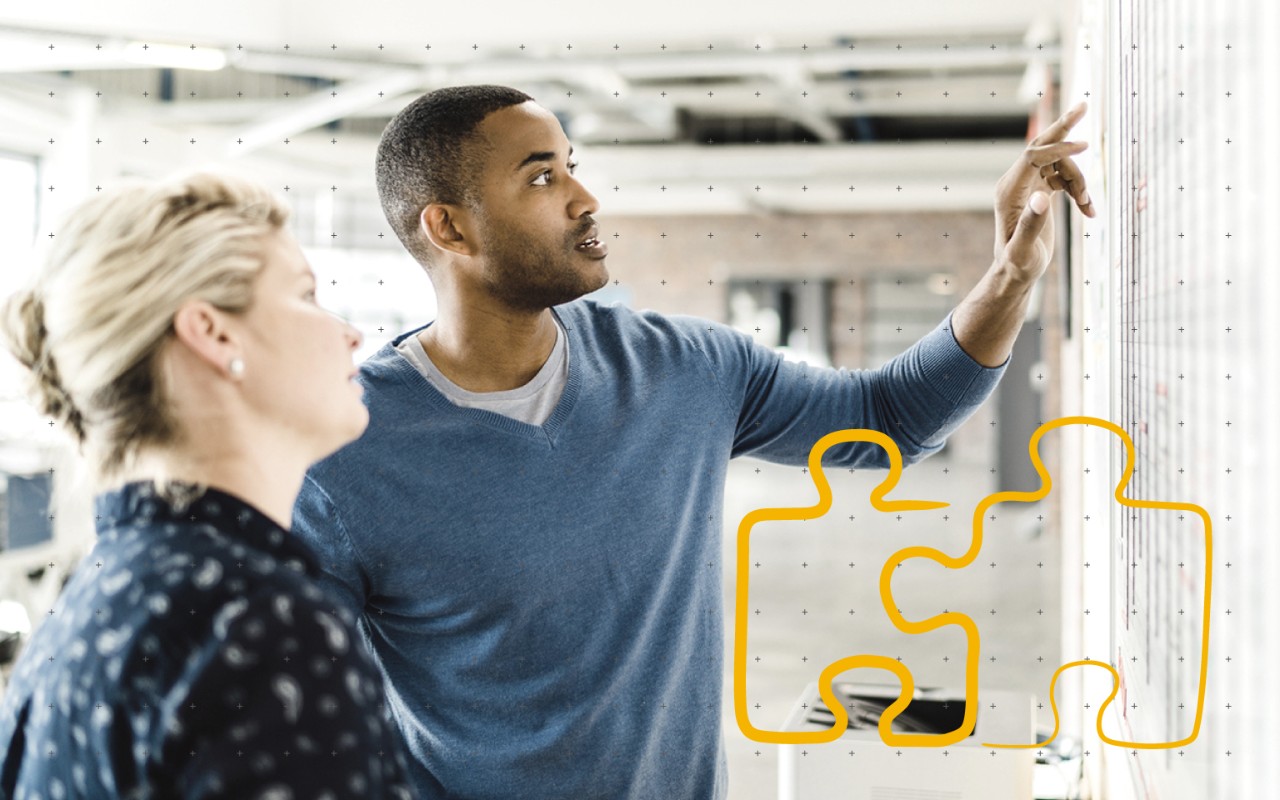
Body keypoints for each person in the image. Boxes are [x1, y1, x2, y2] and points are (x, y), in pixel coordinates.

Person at [292, 85, 1094, 799]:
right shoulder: (341, 451)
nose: (584, 198)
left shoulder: (685, 367)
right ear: (450, 229)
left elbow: (887, 421)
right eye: (542, 177)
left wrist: (1012, 277)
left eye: (573, 165)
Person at [0, 173, 411, 798]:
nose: (350, 334)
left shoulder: (97, 603)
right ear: (214, 334)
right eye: (305, 295)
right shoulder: (262, 627)